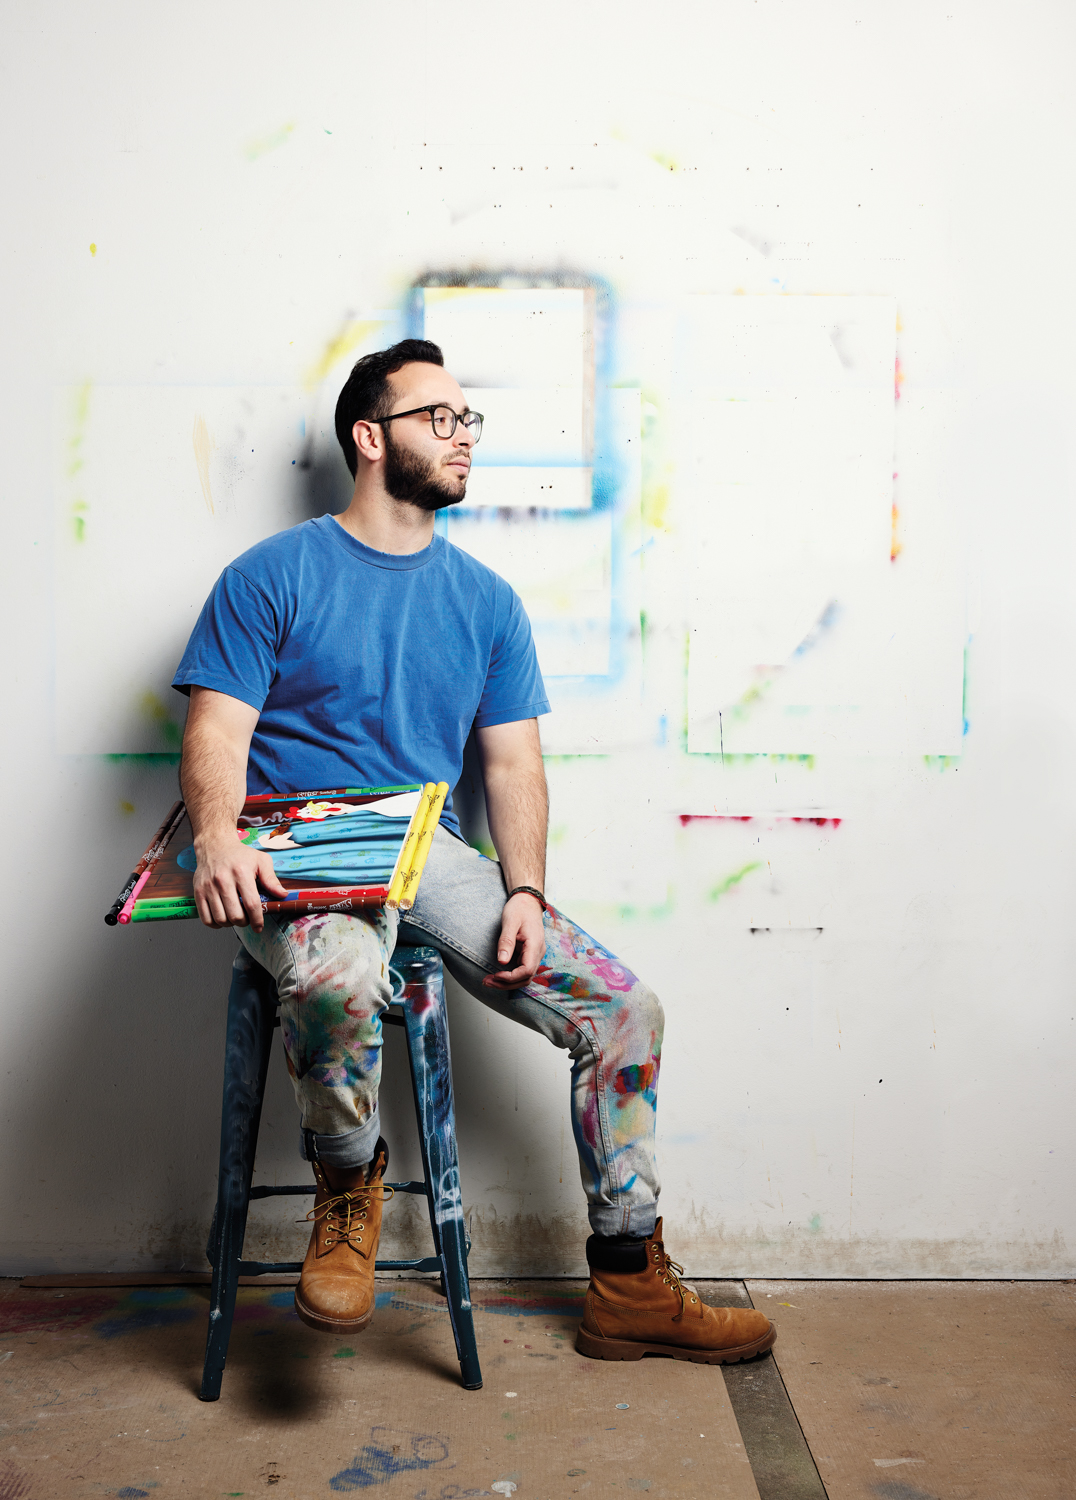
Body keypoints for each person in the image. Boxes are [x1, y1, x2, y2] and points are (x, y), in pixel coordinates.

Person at [173, 338, 775, 1366]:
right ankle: (349, 1182)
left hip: (428, 853)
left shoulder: (486, 601)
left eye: (467, 422)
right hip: (303, 852)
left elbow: (513, 769)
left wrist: (526, 889)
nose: (462, 438)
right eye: (437, 418)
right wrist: (220, 835)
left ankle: (629, 1283)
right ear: (370, 437)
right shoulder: (269, 576)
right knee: (342, 969)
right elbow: (217, 731)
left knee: (624, 1010)